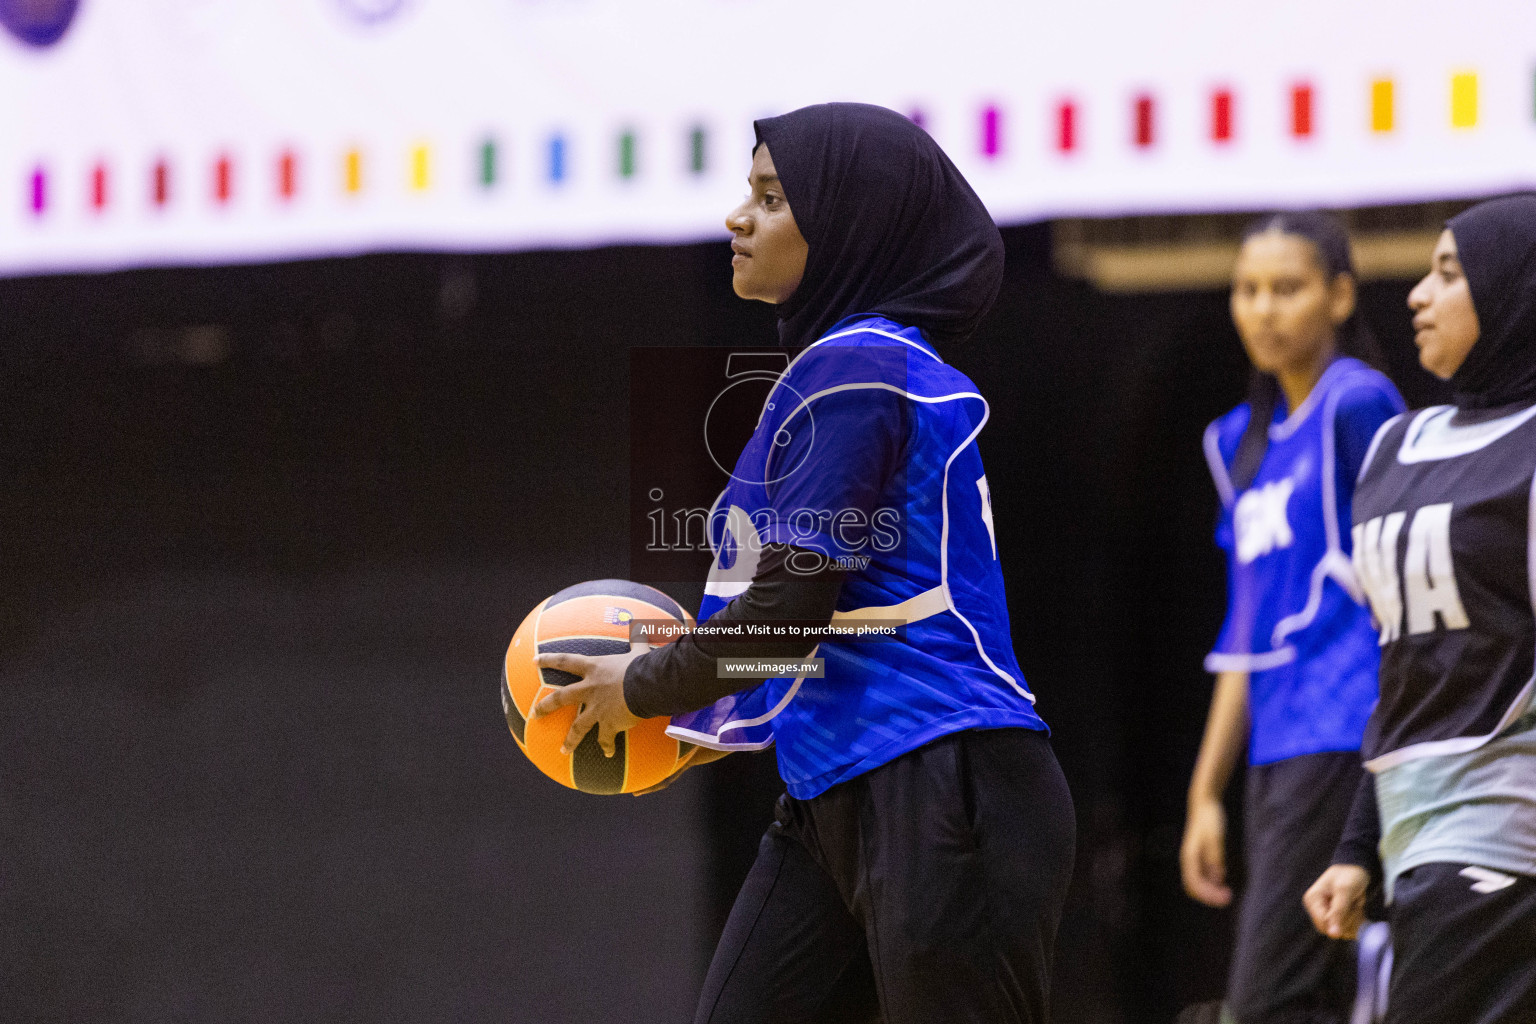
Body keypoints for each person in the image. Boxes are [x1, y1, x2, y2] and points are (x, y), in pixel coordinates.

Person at [529, 102, 1076, 1024]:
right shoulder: (850, 366)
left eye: (772, 198)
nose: (738, 219)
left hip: (945, 778)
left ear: (851, 227)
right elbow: (811, 625)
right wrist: (702, 709)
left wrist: (648, 685)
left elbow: (785, 620)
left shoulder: (858, 370)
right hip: (837, 785)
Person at [1304, 194, 1536, 1024]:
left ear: (1516, 292)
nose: (1417, 293)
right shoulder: (1394, 447)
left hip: (1502, 845)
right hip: (1414, 849)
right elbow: (1403, 667)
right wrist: (1358, 847)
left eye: (1450, 273)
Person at [1180, 212, 1405, 1024]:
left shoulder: (1357, 400)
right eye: (1247, 290)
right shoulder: (1233, 442)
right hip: (1277, 745)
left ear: (1340, 295)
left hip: (1347, 728)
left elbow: (1402, 582)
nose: (1264, 309)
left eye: (1288, 287)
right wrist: (1206, 791)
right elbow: (1245, 628)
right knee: (1316, 990)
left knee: (1267, 997)